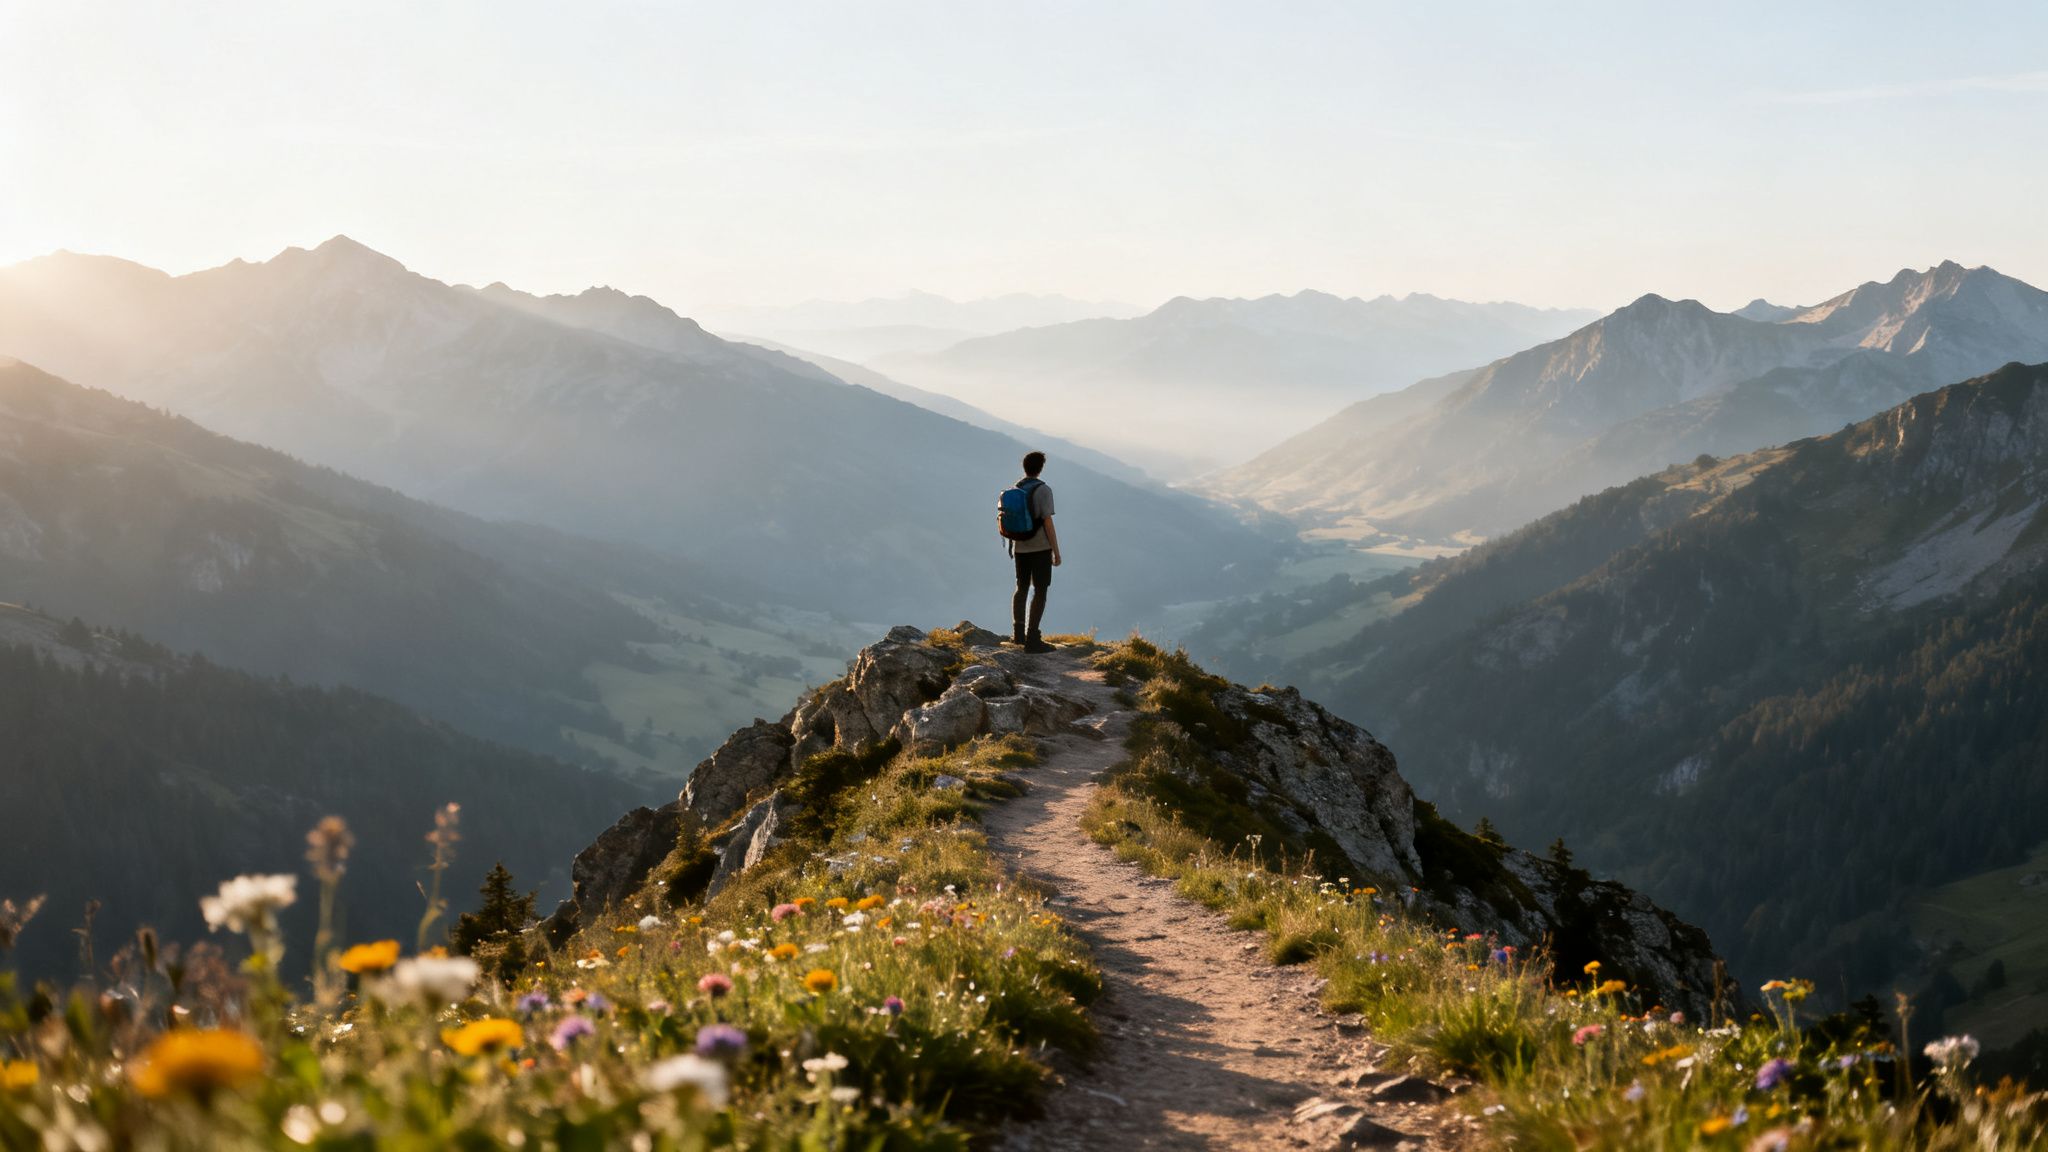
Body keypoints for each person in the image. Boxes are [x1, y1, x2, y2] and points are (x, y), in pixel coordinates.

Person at [1006, 450, 1060, 652]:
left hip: (1020, 548)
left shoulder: (1016, 488)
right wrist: (1056, 551)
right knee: (1040, 590)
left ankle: (1018, 635)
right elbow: (1047, 522)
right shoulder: (1043, 490)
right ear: (1040, 468)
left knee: (1021, 588)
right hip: (1040, 548)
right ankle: (1033, 638)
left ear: (1025, 467)